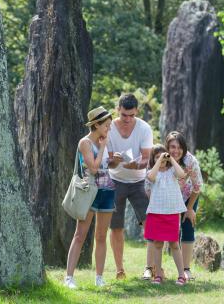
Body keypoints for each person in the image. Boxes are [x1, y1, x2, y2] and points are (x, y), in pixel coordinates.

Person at [64, 106, 115, 289]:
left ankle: (99, 277)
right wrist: (102, 147)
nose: (108, 128)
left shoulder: (102, 141)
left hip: (107, 191)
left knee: (101, 236)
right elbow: (92, 168)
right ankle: (69, 277)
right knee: (80, 235)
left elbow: (103, 166)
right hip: (89, 192)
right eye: (106, 125)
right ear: (96, 124)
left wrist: (112, 156)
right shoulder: (85, 143)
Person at [106, 94, 153, 280]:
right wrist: (113, 160)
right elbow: (107, 163)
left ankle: (151, 267)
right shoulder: (108, 128)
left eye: (131, 115)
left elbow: (147, 158)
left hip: (139, 181)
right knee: (116, 227)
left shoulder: (144, 128)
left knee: (150, 223)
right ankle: (119, 270)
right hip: (115, 180)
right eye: (124, 115)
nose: (127, 119)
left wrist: (137, 165)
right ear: (118, 109)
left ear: (137, 112)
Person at [145, 144, 188, 286]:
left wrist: (171, 159)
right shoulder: (154, 172)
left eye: (163, 156)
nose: (162, 159)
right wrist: (158, 161)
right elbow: (150, 177)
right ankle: (158, 275)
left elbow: (182, 174)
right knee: (157, 244)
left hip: (171, 212)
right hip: (156, 212)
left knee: (174, 244)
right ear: (153, 159)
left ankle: (182, 275)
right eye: (157, 157)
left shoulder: (172, 172)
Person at [166, 131, 204, 281]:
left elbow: (197, 186)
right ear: (167, 147)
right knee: (168, 232)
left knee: (188, 227)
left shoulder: (190, 161)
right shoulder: (163, 159)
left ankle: (186, 269)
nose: (176, 151)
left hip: (188, 197)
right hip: (168, 199)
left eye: (179, 147)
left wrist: (189, 209)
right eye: (172, 147)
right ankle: (154, 267)